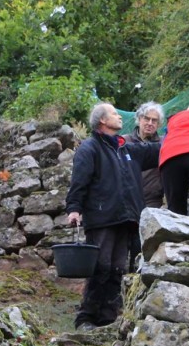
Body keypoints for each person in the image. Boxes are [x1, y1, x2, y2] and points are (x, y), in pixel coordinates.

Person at [65, 102, 160, 330]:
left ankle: (107, 319)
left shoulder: (126, 149)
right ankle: (86, 319)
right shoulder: (90, 148)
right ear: (102, 120)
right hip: (102, 217)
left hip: (125, 219)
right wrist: (74, 208)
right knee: (101, 266)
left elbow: (157, 149)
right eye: (115, 114)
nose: (120, 117)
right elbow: (79, 180)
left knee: (118, 269)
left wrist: (183, 132)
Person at [123, 101, 165, 209]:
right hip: (127, 201)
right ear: (139, 119)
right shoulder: (125, 141)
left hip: (153, 201)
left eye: (154, 120)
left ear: (158, 124)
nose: (150, 123)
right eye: (146, 118)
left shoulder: (163, 144)